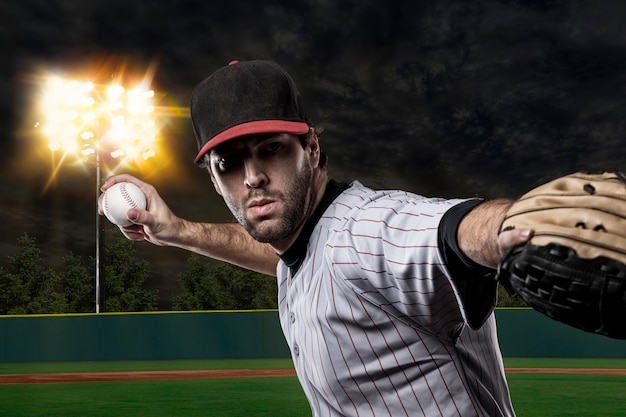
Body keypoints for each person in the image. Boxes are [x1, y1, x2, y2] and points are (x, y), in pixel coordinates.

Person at [100, 60, 532, 417]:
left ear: (311, 149)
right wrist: (175, 230)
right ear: (214, 180)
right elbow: (282, 256)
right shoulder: (304, 245)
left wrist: (528, 226)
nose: (252, 177)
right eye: (229, 162)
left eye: (271, 148)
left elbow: (454, 229)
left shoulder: (366, 230)